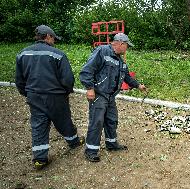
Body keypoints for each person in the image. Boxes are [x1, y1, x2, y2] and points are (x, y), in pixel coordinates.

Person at [15, 25, 85, 170]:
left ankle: (40, 158)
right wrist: (67, 91)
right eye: (53, 38)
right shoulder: (58, 54)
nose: (54, 41)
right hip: (55, 95)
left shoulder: (22, 54)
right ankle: (73, 142)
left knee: (38, 124)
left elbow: (19, 79)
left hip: (34, 95)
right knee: (63, 120)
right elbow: (67, 78)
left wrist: (26, 92)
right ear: (47, 36)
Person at [80, 33, 147, 162]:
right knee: (97, 121)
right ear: (121, 43)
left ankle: (112, 144)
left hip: (110, 96)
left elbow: (127, 77)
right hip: (99, 94)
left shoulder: (121, 61)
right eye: (127, 46)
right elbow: (87, 70)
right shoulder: (103, 51)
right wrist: (89, 88)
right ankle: (91, 151)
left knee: (112, 120)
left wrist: (138, 85)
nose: (127, 49)